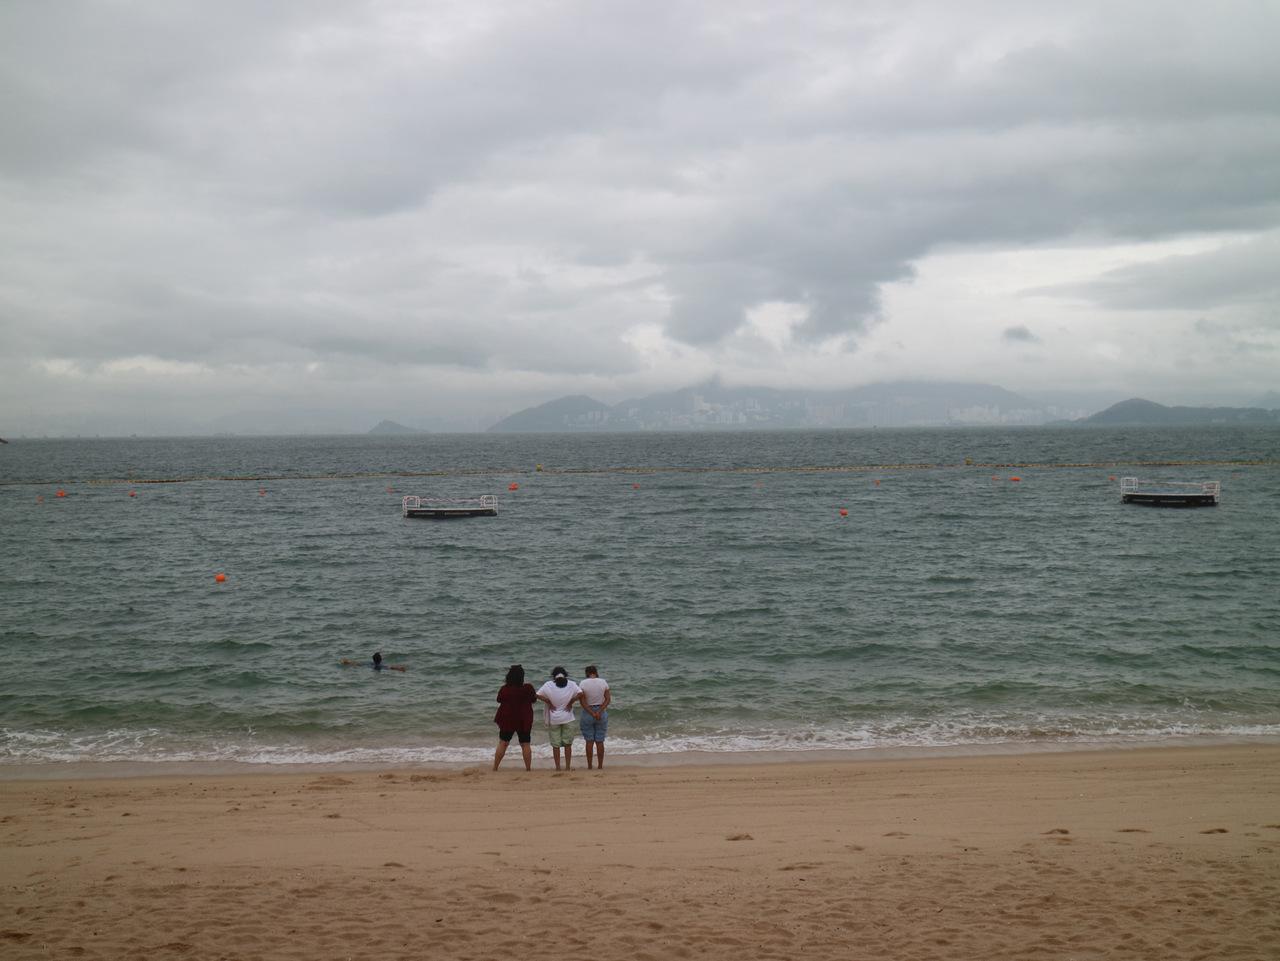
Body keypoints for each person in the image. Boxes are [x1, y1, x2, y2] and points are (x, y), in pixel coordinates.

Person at [535, 666, 582, 771]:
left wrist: (549, 702)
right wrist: (571, 702)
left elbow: (537, 695)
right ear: (565, 675)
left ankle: (558, 767)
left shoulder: (548, 685)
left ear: (554, 676)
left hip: (554, 719)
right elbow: (580, 693)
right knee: (567, 745)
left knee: (555, 746)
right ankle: (568, 767)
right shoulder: (571, 684)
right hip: (568, 718)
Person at [493, 664, 537, 771]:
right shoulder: (528, 688)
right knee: (525, 744)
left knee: (503, 743)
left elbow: (499, 699)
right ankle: (528, 769)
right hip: (524, 719)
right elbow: (534, 699)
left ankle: (495, 768)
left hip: (508, 719)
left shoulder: (505, 689)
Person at [576, 665, 611, 770]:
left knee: (589, 741)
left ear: (587, 673)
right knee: (600, 741)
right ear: (596, 672)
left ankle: (590, 766)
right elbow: (608, 699)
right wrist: (599, 711)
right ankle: (600, 766)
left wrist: (592, 713)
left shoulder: (583, 683)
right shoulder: (603, 682)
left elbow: (582, 701)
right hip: (601, 711)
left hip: (588, 712)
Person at [339, 651, 406, 672]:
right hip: (378, 668)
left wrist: (348, 662)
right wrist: (400, 668)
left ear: (373, 659)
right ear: (381, 659)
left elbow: (358, 663)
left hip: (369, 667)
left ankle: (346, 662)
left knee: (359, 664)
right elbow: (391, 667)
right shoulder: (381, 665)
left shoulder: (369, 663)